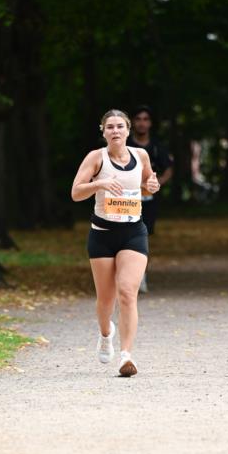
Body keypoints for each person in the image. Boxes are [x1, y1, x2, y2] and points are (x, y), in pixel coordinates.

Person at [71, 109, 160, 377]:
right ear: (103, 131)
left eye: (120, 126)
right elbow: (76, 192)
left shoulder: (140, 155)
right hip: (102, 234)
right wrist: (100, 185)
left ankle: (126, 356)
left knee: (127, 292)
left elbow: (146, 183)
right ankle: (105, 334)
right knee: (106, 299)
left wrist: (152, 185)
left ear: (128, 130)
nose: (115, 131)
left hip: (133, 232)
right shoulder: (96, 158)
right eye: (110, 127)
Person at [127, 105, 173, 292]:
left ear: (151, 123)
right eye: (138, 119)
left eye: (145, 119)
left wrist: (158, 182)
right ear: (132, 122)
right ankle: (125, 276)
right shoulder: (124, 145)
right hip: (126, 199)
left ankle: (141, 276)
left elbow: (168, 168)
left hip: (149, 201)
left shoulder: (156, 147)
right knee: (124, 236)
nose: (142, 123)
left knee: (143, 237)